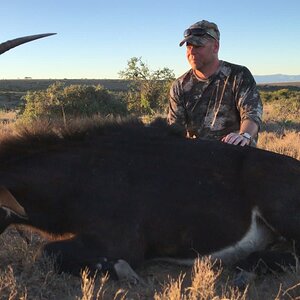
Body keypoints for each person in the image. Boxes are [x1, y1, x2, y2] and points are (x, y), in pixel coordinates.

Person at [167, 20, 263, 147]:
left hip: (236, 153)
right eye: (189, 46)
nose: (192, 52)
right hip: (198, 157)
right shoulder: (179, 86)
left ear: (215, 47)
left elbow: (252, 114)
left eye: (198, 46)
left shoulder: (239, 75)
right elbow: (175, 130)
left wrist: (244, 135)